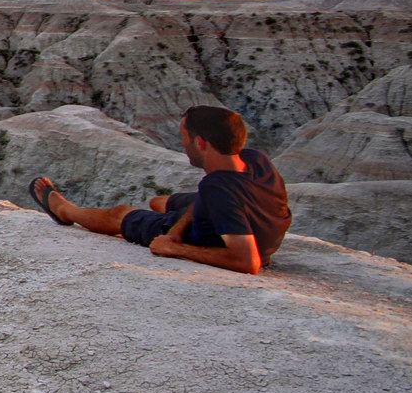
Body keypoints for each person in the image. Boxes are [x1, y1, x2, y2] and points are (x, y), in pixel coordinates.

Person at [28, 105, 290, 275]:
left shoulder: (218, 190)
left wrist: (174, 246)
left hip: (208, 239)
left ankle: (65, 210)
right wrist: (177, 231)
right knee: (159, 201)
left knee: (121, 214)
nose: (182, 143)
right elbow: (212, 198)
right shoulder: (255, 159)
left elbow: (248, 262)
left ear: (200, 142)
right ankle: (171, 219)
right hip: (235, 222)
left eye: (184, 137)